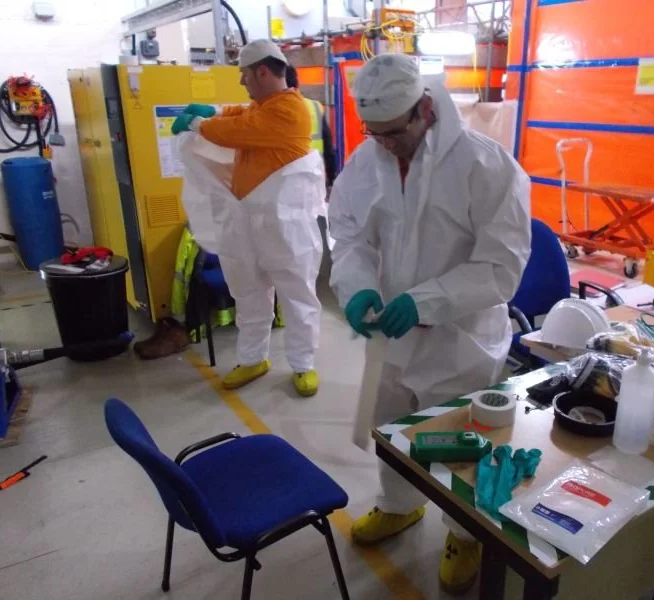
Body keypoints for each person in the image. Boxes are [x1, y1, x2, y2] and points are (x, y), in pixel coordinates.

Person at [328, 54, 531, 594]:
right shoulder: (367, 158)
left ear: (425, 108)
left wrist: (427, 300)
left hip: (459, 341)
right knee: (392, 430)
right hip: (389, 336)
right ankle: (399, 507)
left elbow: (501, 267)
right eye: (375, 134)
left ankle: (464, 534)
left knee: (456, 446)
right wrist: (357, 284)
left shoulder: (487, 167)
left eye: (395, 133)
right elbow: (348, 235)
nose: (386, 145)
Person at [171, 39, 325, 398]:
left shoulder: (291, 110)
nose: (241, 82)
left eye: (243, 74)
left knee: (295, 293)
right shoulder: (266, 106)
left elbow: (237, 131)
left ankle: (303, 365)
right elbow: (238, 114)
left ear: (263, 71)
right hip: (247, 220)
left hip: (284, 223)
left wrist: (198, 122)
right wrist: (210, 110)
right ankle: (254, 358)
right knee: (248, 291)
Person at [285, 65, 337, 188]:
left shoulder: (276, 109)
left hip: (290, 180)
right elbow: (328, 146)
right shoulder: (315, 106)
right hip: (316, 175)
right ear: (297, 82)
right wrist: (331, 177)